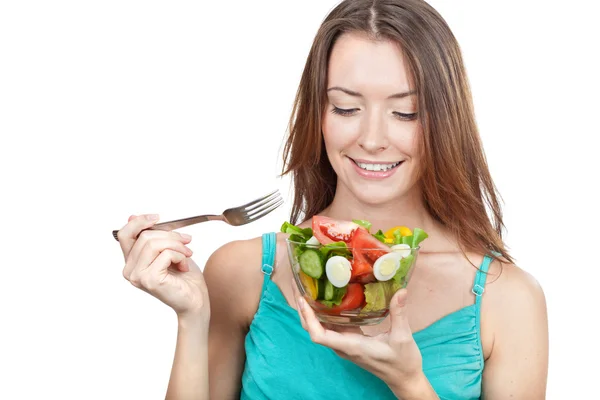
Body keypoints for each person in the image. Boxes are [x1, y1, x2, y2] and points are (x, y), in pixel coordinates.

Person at [117, 0, 549, 398]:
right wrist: (193, 318)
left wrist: (410, 382)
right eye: (345, 108)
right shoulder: (243, 272)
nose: (373, 139)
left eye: (406, 113)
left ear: (445, 121)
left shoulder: (506, 299)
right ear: (318, 114)